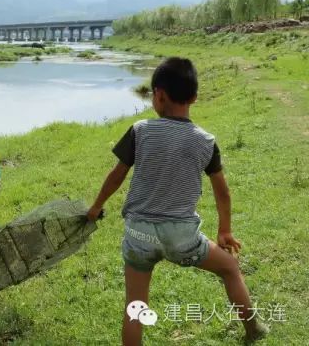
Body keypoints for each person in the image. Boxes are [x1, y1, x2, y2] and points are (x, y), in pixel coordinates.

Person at [86, 57, 268, 345]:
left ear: (158, 95)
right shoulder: (205, 141)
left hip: (138, 234)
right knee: (230, 269)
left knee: (135, 307)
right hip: (181, 236)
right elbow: (223, 192)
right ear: (194, 97)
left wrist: (96, 207)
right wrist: (225, 230)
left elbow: (116, 175)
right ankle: (254, 329)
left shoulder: (140, 131)